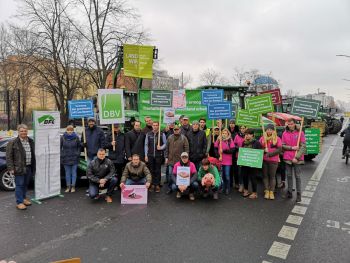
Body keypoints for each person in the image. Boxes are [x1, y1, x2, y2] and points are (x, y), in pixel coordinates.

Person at [6, 124, 36, 210]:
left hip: (29, 166)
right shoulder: (13, 142)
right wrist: (11, 168)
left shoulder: (30, 141)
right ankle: (19, 202)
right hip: (18, 167)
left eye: (25, 131)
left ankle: (23, 198)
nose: (23, 132)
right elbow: (9, 156)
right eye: (21, 131)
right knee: (19, 185)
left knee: (25, 184)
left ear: (27, 131)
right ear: (18, 132)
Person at [282, 118, 306, 203]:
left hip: (297, 158)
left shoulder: (300, 133)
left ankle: (299, 194)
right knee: (288, 175)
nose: (290, 126)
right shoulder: (284, 133)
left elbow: (303, 146)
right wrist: (291, 148)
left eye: (292, 124)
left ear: (295, 124)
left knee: (297, 176)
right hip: (288, 158)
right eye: (289, 124)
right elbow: (283, 145)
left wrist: (297, 157)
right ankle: (289, 192)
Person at [259, 124, 282, 200]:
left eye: (270, 129)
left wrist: (270, 154)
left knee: (272, 177)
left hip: (273, 161)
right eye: (267, 129)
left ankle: (271, 191)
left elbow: (279, 149)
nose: (269, 131)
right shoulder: (262, 138)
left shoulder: (277, 138)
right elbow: (258, 147)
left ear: (273, 130)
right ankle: (267, 191)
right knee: (265, 176)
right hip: (264, 160)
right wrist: (263, 150)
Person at [165, 125, 189, 194]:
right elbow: (166, 149)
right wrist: (166, 157)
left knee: (179, 176)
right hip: (171, 160)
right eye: (175, 129)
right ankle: (170, 188)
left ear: (180, 130)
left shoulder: (183, 138)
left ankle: (178, 189)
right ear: (173, 130)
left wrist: (186, 158)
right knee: (170, 175)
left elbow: (187, 149)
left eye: (177, 129)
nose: (176, 130)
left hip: (180, 161)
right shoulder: (169, 137)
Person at [144, 121, 167, 193]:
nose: (155, 126)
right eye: (154, 125)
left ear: (158, 126)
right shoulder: (148, 134)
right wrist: (145, 155)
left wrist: (161, 147)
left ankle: (157, 184)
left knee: (158, 170)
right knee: (151, 170)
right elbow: (146, 145)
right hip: (150, 155)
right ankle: (152, 184)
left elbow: (165, 144)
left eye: (156, 125)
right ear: (152, 126)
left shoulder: (162, 134)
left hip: (158, 155)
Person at [240, 129, 262, 199]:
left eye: (248, 134)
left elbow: (259, 153)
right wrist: (241, 161)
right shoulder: (244, 142)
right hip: (245, 163)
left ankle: (254, 193)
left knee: (253, 178)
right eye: (246, 134)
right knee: (245, 177)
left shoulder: (257, 143)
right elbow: (242, 152)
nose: (247, 136)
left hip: (253, 164)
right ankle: (246, 190)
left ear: (252, 135)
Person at [61, 125, 81, 193]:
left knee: (74, 173)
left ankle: (73, 187)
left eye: (71, 130)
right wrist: (62, 154)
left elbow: (79, 146)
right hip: (66, 158)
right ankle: (68, 187)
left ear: (73, 130)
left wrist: (77, 153)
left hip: (74, 157)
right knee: (67, 173)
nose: (69, 131)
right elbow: (60, 147)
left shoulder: (76, 137)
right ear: (66, 130)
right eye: (68, 130)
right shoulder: (63, 137)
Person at [214, 128, 235, 195]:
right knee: (221, 176)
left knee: (227, 175)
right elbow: (215, 148)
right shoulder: (218, 140)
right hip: (220, 161)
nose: (224, 134)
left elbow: (232, 150)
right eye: (223, 133)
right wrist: (218, 156)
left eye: (225, 133)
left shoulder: (230, 140)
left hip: (228, 161)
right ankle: (222, 188)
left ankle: (227, 188)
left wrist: (224, 151)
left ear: (228, 134)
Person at [233, 125, 247, 192]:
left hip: (247, 157)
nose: (242, 129)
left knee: (246, 172)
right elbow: (234, 145)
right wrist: (238, 148)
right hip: (238, 156)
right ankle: (241, 185)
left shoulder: (248, 136)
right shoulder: (237, 136)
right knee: (240, 172)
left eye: (243, 128)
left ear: (245, 129)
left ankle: (246, 186)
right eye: (241, 128)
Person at [228, 119, 239, 189]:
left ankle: (237, 183)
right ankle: (231, 183)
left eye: (233, 123)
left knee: (236, 169)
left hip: (236, 153)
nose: (232, 124)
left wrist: (235, 147)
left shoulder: (237, 133)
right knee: (230, 169)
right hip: (229, 154)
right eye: (230, 123)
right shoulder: (227, 132)